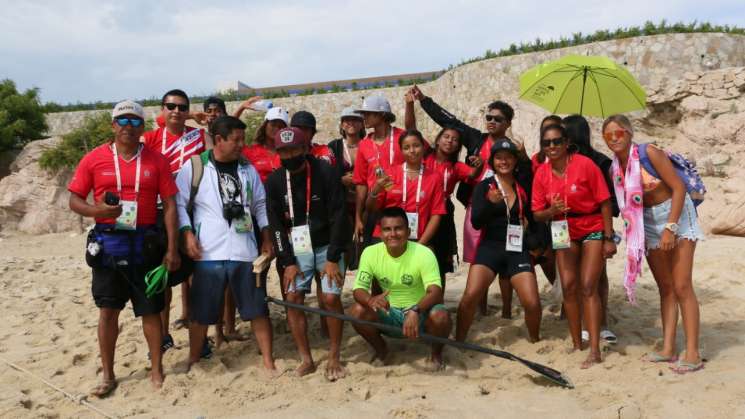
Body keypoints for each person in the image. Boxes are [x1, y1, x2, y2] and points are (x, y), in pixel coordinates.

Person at [68, 100, 180, 395]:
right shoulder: (93, 159)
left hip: (146, 244)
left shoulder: (157, 160)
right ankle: (107, 374)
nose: (128, 127)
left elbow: (170, 205)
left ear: (143, 127)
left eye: (135, 122)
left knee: (151, 311)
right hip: (109, 245)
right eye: (123, 121)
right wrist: (97, 211)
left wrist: (172, 248)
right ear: (113, 125)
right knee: (108, 311)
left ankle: (156, 369)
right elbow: (74, 200)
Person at [410, 86, 529, 316]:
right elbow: (449, 121)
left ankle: (505, 308)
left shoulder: (513, 148)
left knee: (507, 255)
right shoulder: (476, 138)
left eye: (497, 118)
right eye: (488, 117)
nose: (491, 121)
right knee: (479, 259)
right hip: (478, 207)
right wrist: (424, 100)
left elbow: (525, 176)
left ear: (508, 123)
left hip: (506, 209)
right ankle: (482, 308)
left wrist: (523, 156)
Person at [174, 116, 277, 375]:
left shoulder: (247, 168)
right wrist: (187, 235)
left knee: (256, 308)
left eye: (243, 139)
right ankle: (194, 359)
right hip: (208, 250)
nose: (242, 144)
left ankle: (268, 360)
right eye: (236, 140)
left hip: (244, 249)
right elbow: (179, 204)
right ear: (218, 139)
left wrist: (266, 237)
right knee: (201, 312)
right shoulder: (195, 166)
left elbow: (260, 205)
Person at [602, 115, 704, 374]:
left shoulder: (649, 153)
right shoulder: (614, 168)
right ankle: (668, 348)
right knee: (666, 287)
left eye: (619, 132)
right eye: (608, 135)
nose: (614, 138)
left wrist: (670, 227)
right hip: (646, 222)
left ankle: (692, 352)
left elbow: (678, 188)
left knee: (682, 285)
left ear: (630, 133)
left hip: (676, 214)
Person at [265, 127, 351, 380]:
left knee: (332, 299)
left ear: (305, 149)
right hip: (297, 247)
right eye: (283, 151)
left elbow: (339, 217)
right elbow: (276, 226)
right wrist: (287, 262)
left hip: (327, 246)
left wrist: (334, 257)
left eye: (294, 150)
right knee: (293, 298)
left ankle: (334, 354)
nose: (289, 155)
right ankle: (306, 358)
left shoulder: (326, 172)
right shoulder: (275, 181)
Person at [532, 123, 616, 369]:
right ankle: (576, 342)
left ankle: (594, 350)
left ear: (566, 142)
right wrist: (551, 210)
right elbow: (537, 214)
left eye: (557, 141)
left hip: (591, 226)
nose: (552, 147)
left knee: (589, 286)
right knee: (569, 286)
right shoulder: (542, 173)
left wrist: (609, 238)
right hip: (561, 227)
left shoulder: (585, 164)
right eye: (547, 143)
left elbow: (605, 202)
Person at [141, 89, 207, 352]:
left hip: (193, 211)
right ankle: (164, 334)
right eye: (171, 107)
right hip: (158, 213)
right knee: (162, 278)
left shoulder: (198, 136)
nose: (176, 111)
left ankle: (197, 337)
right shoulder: (151, 138)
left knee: (196, 277)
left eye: (182, 107)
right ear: (162, 109)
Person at [456, 140, 543, 342]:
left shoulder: (523, 185)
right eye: (499, 157)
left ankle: (535, 341)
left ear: (515, 160)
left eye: (508, 157)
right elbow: (476, 222)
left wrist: (536, 242)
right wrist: (489, 204)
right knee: (470, 297)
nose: (504, 161)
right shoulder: (484, 186)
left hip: (517, 248)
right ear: (492, 161)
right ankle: (459, 340)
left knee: (532, 303)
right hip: (490, 247)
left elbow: (534, 217)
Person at [349, 207, 452, 368]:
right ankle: (382, 350)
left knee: (441, 315)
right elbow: (358, 290)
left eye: (398, 228)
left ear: (408, 230)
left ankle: (436, 353)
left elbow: (435, 292)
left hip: (420, 315)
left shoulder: (424, 253)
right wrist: (371, 300)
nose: (393, 234)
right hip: (389, 312)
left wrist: (415, 310)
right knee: (357, 311)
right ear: (380, 232)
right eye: (387, 229)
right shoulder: (370, 252)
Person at [563, 114, 618, 345]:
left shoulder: (601, 162)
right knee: (575, 277)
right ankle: (588, 322)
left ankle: (600, 323)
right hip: (566, 225)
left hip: (594, 223)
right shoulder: (561, 162)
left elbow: (611, 202)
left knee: (595, 277)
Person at [366, 130, 446, 248]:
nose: (412, 151)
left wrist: (420, 245)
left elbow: (436, 214)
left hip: (418, 239)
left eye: (416, 146)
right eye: (406, 147)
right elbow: (371, 208)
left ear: (423, 147)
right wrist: (375, 190)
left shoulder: (434, 178)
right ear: (401, 151)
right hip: (387, 238)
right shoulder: (390, 174)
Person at [352, 95, 406, 247]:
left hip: (402, 208)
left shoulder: (402, 137)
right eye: (363, 114)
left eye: (368, 113)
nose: (364, 117)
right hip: (375, 210)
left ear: (382, 114)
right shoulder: (364, 144)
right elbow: (361, 183)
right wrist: (358, 217)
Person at [328, 107, 366, 269]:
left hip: (365, 201)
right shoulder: (333, 146)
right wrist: (340, 180)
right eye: (347, 120)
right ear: (342, 125)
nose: (351, 123)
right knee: (343, 243)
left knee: (365, 243)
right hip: (342, 202)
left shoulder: (369, 145)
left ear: (362, 124)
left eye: (356, 119)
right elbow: (327, 175)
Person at [241, 106, 290, 183]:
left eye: (281, 126)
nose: (276, 129)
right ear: (265, 125)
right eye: (273, 124)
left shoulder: (289, 153)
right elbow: (229, 133)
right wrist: (241, 108)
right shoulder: (252, 151)